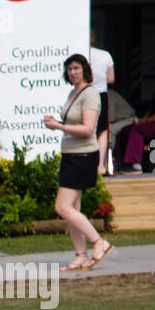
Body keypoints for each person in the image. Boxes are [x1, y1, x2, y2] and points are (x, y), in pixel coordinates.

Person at [44, 54, 114, 271]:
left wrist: (60, 127)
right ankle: (81, 255)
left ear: (85, 69)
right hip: (71, 154)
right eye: (69, 69)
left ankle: (98, 242)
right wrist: (57, 123)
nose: (72, 72)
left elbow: (87, 129)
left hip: (82, 156)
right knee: (73, 208)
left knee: (62, 206)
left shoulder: (91, 93)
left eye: (76, 68)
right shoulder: (73, 92)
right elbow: (72, 123)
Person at [89, 31, 115, 175]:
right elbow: (111, 79)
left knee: (88, 128)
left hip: (86, 93)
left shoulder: (80, 54)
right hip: (101, 94)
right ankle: (100, 166)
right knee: (102, 129)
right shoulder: (105, 55)